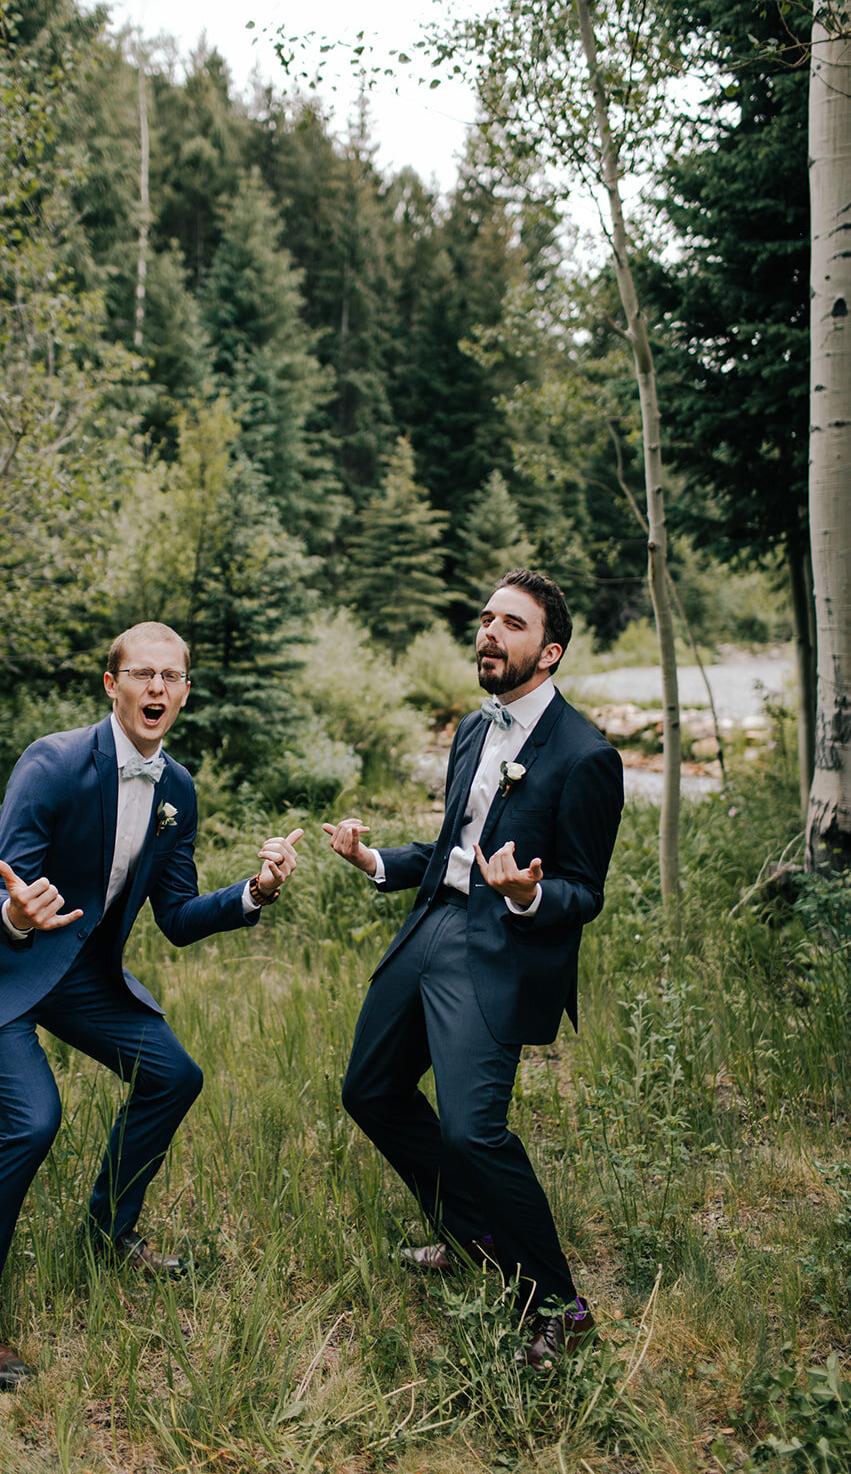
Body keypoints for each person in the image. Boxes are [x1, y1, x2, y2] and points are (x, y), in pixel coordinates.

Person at [0, 621, 303, 1388]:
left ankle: (108, 1233)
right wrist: (15, 915)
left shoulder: (176, 791)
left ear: (185, 691)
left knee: (172, 1075)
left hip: (79, 972)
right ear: (111, 684)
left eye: (172, 677)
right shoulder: (54, 763)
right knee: (31, 1120)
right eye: (142, 674)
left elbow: (179, 919)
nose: (157, 688)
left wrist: (254, 892)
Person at [323, 568, 623, 1369]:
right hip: (428, 925)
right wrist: (371, 857)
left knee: (472, 1129)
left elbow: (584, 892)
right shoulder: (469, 729)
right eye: (485, 618)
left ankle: (560, 1304)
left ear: (549, 652)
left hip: (496, 950)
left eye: (511, 623)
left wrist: (528, 896)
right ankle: (472, 1237)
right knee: (369, 1091)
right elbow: (451, 846)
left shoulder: (587, 756)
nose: (488, 631)